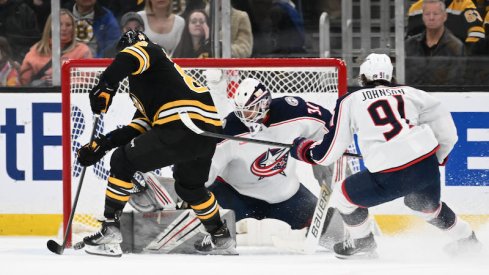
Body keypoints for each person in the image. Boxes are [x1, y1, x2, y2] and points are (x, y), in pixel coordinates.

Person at [290, 53, 482, 259]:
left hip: (391, 173)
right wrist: (439, 157)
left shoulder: (351, 100)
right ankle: (467, 239)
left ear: (362, 78)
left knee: (343, 196)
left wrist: (304, 150)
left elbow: (330, 152)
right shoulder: (412, 93)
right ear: (390, 76)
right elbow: (447, 132)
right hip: (425, 164)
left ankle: (362, 241)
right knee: (424, 207)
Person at [76, 30, 234, 256]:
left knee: (122, 161)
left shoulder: (151, 51)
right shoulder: (156, 81)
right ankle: (220, 235)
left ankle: (110, 229)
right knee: (189, 188)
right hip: (205, 134)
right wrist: (102, 144)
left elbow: (128, 58)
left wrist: (106, 84)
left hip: (181, 125)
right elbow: (138, 128)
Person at [205, 78, 333, 231]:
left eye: (249, 109)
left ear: (264, 103)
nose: (244, 115)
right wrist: (193, 192)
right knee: (220, 231)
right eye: (241, 110)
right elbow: (206, 169)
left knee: (329, 226)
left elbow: (329, 125)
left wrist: (320, 157)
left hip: (286, 195)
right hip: (237, 195)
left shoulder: (292, 111)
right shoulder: (230, 129)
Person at [19, 9, 92, 86]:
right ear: (50, 27)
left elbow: (88, 79)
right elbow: (23, 81)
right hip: (41, 94)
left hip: (72, 95)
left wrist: (61, 80)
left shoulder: (82, 50)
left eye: (68, 25)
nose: (64, 29)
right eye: (59, 24)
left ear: (73, 28)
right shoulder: (37, 49)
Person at [405, 0, 466, 85]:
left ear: (445, 16)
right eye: (427, 14)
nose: (431, 18)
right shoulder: (409, 44)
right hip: (415, 96)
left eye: (436, 14)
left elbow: (456, 82)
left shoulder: (456, 47)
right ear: (422, 17)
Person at [407, 0, 485, 55]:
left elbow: (477, 33)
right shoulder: (416, 9)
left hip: (455, 64)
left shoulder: (464, 4)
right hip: (423, 66)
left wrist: (465, 59)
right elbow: (411, 43)